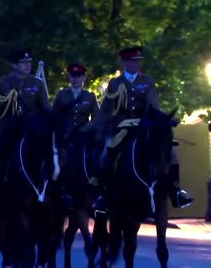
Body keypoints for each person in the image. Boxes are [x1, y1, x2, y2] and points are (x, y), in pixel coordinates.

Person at [90, 46, 193, 213]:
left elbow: (153, 106)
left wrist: (164, 120)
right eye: (134, 61)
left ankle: (176, 191)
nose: (138, 64)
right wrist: (100, 132)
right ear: (125, 62)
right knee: (105, 153)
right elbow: (105, 111)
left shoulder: (147, 81)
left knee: (171, 152)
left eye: (139, 61)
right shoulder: (115, 83)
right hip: (121, 126)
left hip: (143, 125)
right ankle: (104, 195)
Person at [0, 47, 53, 214]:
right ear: (14, 65)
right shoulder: (3, 83)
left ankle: (50, 192)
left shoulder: (37, 84)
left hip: (31, 128)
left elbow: (46, 108)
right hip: (8, 128)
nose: (28, 65)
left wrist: (57, 118)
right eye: (23, 63)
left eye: (29, 62)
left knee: (49, 155)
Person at [53, 63, 100, 208]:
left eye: (78, 76)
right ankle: (61, 189)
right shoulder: (62, 95)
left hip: (84, 135)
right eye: (73, 77)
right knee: (60, 158)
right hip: (66, 135)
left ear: (83, 78)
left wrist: (86, 129)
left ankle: (95, 184)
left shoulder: (90, 96)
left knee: (96, 155)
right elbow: (54, 116)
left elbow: (97, 118)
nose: (75, 79)